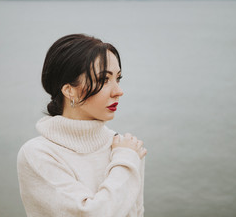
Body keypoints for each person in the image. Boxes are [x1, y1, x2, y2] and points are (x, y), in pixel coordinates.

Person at [17, 34, 147, 217]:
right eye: (103, 80)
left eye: (118, 78)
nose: (118, 91)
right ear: (69, 90)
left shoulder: (125, 148)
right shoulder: (38, 154)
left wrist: (127, 157)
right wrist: (126, 162)